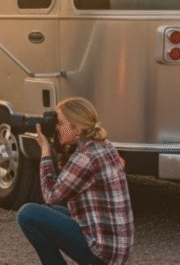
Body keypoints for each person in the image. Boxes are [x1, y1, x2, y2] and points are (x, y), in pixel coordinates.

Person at [17, 97, 134, 265]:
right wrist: (60, 148)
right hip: (117, 248)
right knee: (50, 211)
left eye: (60, 123)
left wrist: (45, 151)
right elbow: (64, 187)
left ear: (77, 129)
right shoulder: (102, 145)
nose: (56, 128)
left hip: (103, 253)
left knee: (28, 214)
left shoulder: (85, 157)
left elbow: (51, 194)